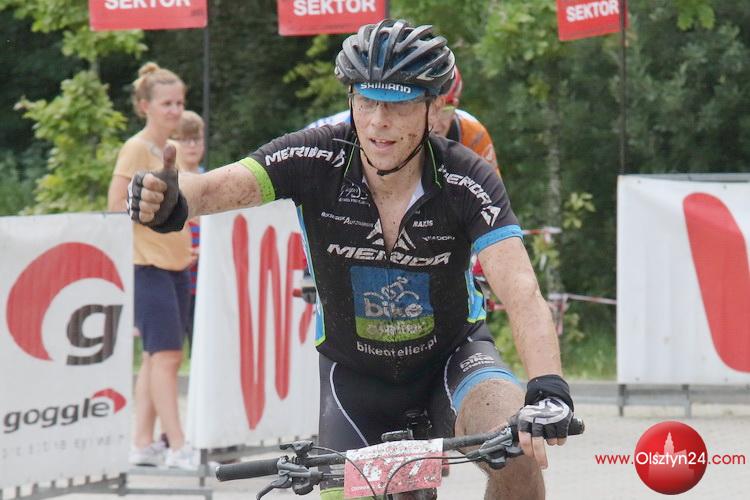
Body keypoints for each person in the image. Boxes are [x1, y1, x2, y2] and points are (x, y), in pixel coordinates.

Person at [127, 20, 574, 499]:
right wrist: (173, 197)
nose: (379, 121)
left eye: (399, 104)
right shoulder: (315, 157)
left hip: (455, 360)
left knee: (517, 451)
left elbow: (521, 289)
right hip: (356, 378)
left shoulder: (468, 177)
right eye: (366, 101)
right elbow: (218, 185)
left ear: (433, 109)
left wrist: (548, 386)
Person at [107, 62, 199, 470]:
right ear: (145, 106)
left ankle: (142, 443)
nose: (175, 110)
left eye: (179, 102)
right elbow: (115, 205)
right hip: (147, 265)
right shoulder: (136, 148)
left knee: (154, 357)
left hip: (175, 264)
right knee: (166, 357)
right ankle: (178, 446)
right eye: (167, 104)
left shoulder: (170, 150)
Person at [306, 66, 501, 176]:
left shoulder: (472, 133)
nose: (434, 122)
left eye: (444, 110)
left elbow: (493, 201)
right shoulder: (340, 127)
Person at [173, 110, 206, 356]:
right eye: (185, 139)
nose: (192, 145)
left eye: (196, 139)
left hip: (203, 283)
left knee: (201, 349)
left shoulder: (212, 180)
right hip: (175, 276)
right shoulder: (169, 180)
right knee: (169, 352)